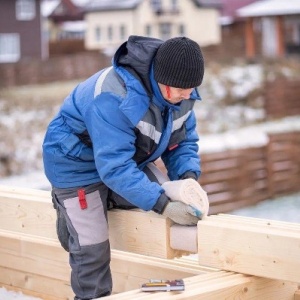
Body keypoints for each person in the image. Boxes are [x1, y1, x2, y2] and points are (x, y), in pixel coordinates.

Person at [42, 35, 205, 300]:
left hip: (127, 158)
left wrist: (187, 181)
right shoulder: (114, 97)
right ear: (161, 79)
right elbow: (115, 168)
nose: (187, 96)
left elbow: (181, 143)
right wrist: (164, 204)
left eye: (191, 89)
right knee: (92, 249)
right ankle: (77, 218)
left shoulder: (182, 94)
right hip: (75, 166)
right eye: (181, 90)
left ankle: (106, 201)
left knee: (165, 195)